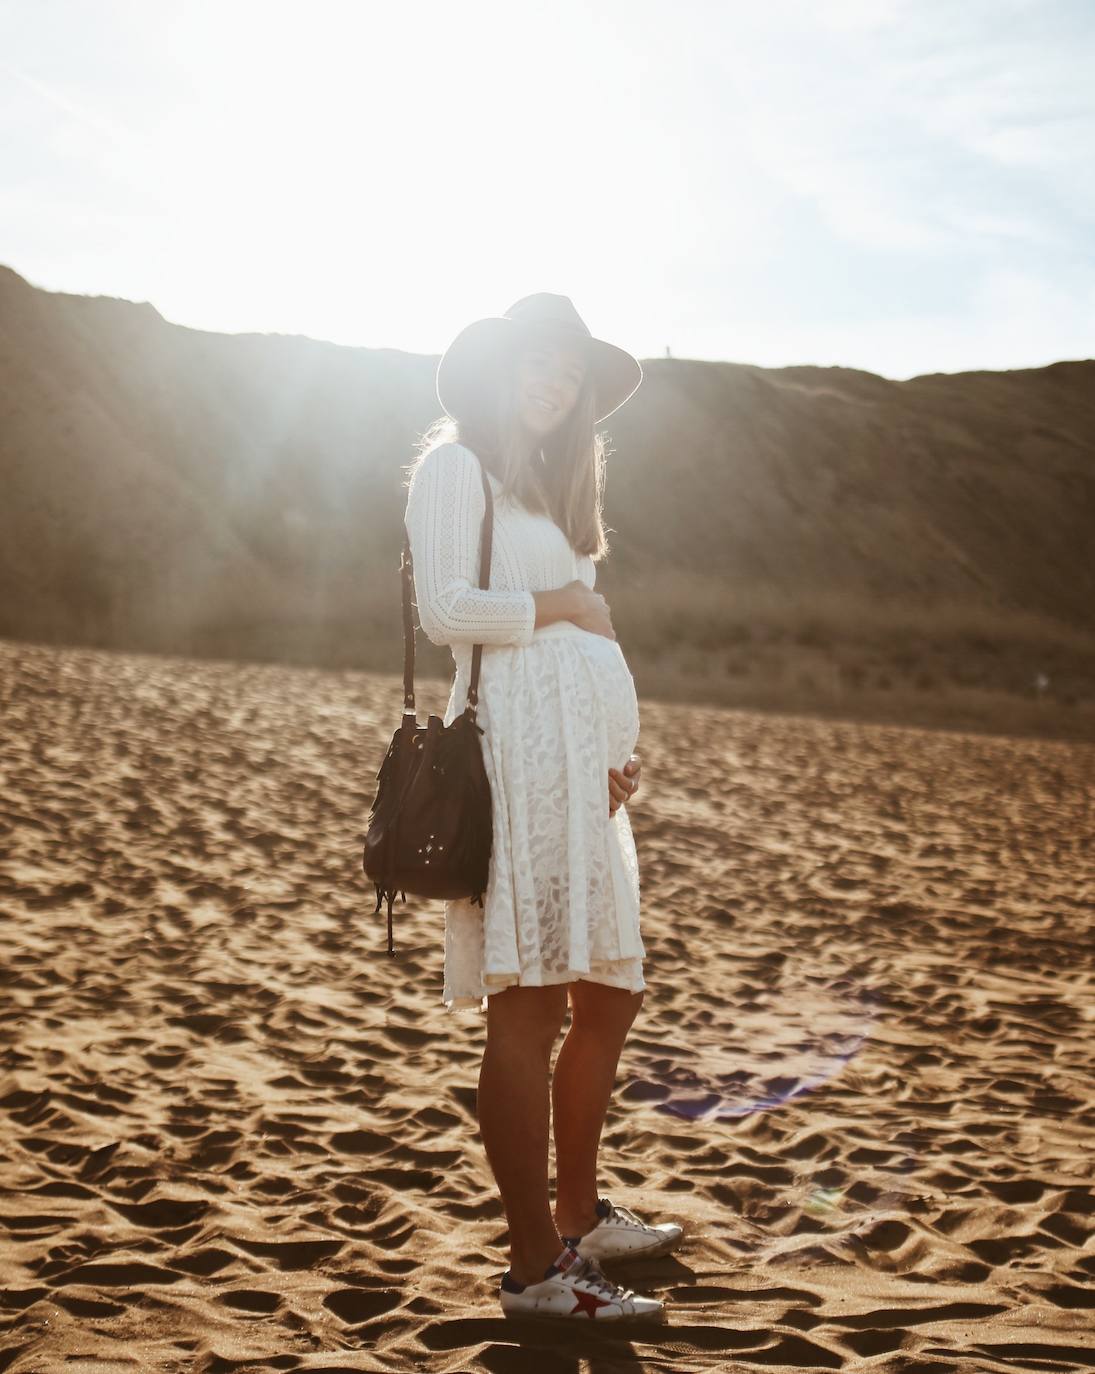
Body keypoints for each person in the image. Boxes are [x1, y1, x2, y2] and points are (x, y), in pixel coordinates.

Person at [403, 294, 683, 1323]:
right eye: (539, 360)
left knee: (609, 996)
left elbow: (586, 654)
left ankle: (579, 1215)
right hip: (515, 761)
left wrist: (612, 754)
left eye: (571, 371)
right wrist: (565, 603)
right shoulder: (455, 470)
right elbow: (446, 612)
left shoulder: (558, 504)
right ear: (498, 369)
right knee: (529, 1006)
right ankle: (535, 1268)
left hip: (581, 776)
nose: (555, 381)